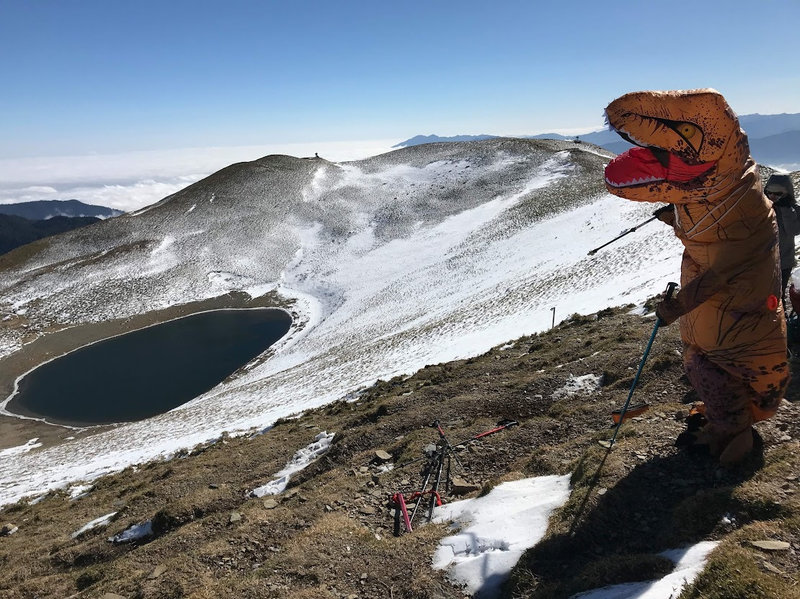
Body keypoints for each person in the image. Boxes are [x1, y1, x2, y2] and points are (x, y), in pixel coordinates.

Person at [603, 88, 789, 466]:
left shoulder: (744, 211)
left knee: (708, 368)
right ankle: (726, 415)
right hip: (721, 325)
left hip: (739, 334)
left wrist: (678, 306)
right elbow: (711, 236)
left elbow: (726, 269)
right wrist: (676, 218)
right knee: (702, 363)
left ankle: (731, 434)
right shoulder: (731, 199)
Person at [764, 174, 800, 311]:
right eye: (769, 192)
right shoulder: (761, 206)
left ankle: (780, 317)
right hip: (764, 259)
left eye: (778, 193)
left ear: (787, 193)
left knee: (778, 294)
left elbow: (793, 230)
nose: (772, 196)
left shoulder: (794, 209)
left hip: (784, 260)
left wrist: (785, 209)